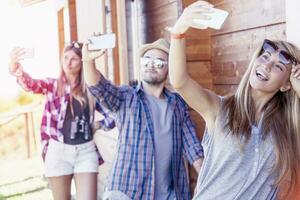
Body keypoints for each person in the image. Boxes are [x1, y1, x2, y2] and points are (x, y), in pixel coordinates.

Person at [168, 1, 300, 199]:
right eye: (265, 57)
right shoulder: (220, 108)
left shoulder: (289, 127)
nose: (267, 65)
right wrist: (178, 33)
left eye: (279, 67)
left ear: (286, 84)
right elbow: (179, 82)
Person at [82, 38, 204, 200]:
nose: (152, 64)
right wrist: (88, 61)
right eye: (147, 59)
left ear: (169, 69)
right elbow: (99, 88)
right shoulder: (127, 97)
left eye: (160, 62)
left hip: (170, 195)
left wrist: (205, 178)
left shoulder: (178, 104)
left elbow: (192, 147)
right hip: (127, 192)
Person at [9, 42, 115, 200]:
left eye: (74, 58)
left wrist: (98, 125)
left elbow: (113, 112)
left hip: (85, 151)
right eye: (65, 57)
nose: (68, 62)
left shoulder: (91, 89)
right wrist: (15, 67)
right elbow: (30, 85)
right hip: (58, 151)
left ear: (82, 61)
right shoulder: (53, 85)